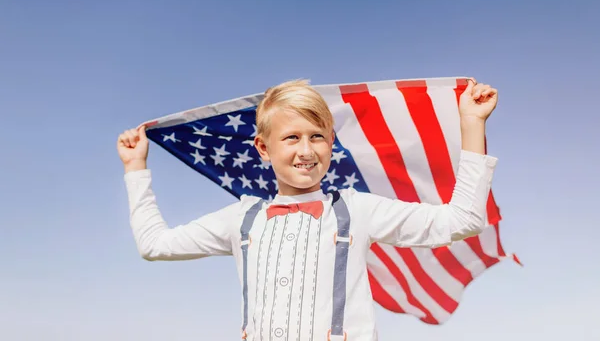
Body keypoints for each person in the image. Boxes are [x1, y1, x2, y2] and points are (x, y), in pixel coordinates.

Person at [117, 78, 498, 341]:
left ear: (332, 143)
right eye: (291, 138)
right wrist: (136, 169)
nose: (306, 150)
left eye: (317, 137)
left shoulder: (357, 208)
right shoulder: (242, 219)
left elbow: (461, 220)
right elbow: (154, 244)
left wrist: (471, 124)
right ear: (264, 149)